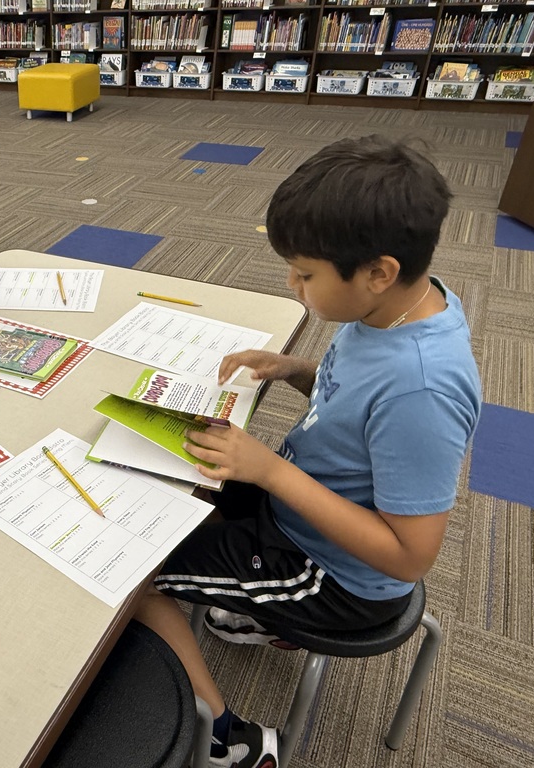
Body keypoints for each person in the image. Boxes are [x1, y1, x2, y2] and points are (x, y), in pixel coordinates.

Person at [134, 135, 481, 768]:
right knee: (175, 466)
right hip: (303, 507)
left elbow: (410, 556)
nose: (291, 284)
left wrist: (267, 471)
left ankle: (230, 743)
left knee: (130, 575)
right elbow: (358, 406)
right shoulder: (395, 308)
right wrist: (297, 370)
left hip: (334, 578)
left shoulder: (423, 389)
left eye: (306, 274)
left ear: (378, 272)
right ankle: (256, 612)